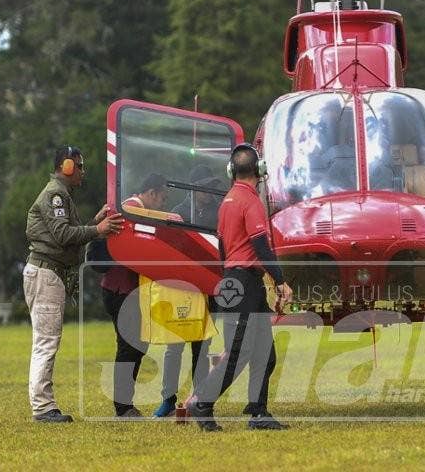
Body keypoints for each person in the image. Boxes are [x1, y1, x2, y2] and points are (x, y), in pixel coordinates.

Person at [187, 144, 293, 431]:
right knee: (239, 352)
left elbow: (222, 248)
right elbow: (260, 244)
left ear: (231, 171)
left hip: (238, 281)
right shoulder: (251, 201)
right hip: (245, 282)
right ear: (259, 171)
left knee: (264, 353)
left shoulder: (228, 201)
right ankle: (202, 403)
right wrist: (281, 280)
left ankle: (258, 413)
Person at [24, 145, 122, 423]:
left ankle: (43, 405)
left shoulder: (61, 193)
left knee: (45, 341)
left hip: (47, 273)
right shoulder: (56, 194)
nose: (81, 171)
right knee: (46, 342)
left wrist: (94, 223)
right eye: (78, 166)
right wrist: (98, 230)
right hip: (46, 274)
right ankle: (43, 408)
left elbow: (67, 234)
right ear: (66, 167)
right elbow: (64, 234)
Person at [155, 164, 222, 417]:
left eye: (211, 187)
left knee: (203, 347)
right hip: (183, 291)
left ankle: (199, 398)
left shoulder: (218, 213)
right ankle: (168, 399)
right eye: (205, 187)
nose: (209, 191)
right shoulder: (177, 214)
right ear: (193, 189)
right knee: (174, 347)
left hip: (210, 288)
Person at [99, 173, 168, 418]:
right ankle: (123, 406)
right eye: (161, 198)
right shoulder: (132, 210)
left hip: (123, 289)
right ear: (151, 193)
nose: (162, 204)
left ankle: (125, 404)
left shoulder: (133, 209)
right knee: (129, 346)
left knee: (135, 344)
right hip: (122, 290)